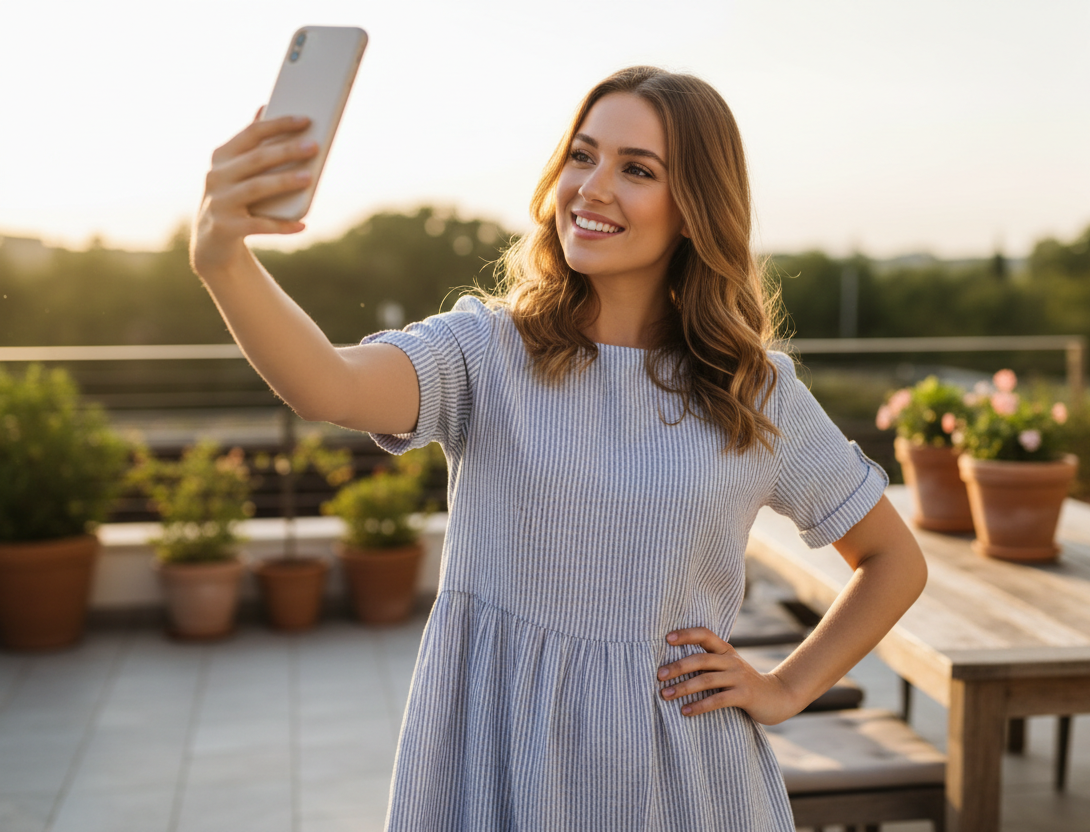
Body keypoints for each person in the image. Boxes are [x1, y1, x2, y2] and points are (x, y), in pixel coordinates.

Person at [192, 65, 926, 831]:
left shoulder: (753, 391)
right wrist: (225, 260)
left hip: (678, 780)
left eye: (636, 169)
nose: (593, 186)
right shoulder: (487, 352)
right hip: (495, 760)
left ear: (694, 210)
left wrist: (784, 688)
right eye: (583, 155)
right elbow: (329, 385)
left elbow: (893, 561)